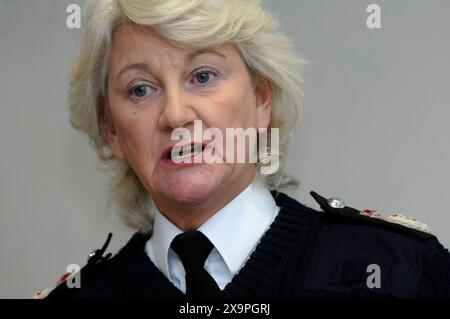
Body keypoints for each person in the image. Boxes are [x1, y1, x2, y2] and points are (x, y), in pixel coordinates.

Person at [36, 0, 449, 299]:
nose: (175, 116)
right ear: (111, 131)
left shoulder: (398, 271)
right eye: (140, 89)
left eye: (202, 75)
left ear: (261, 101)